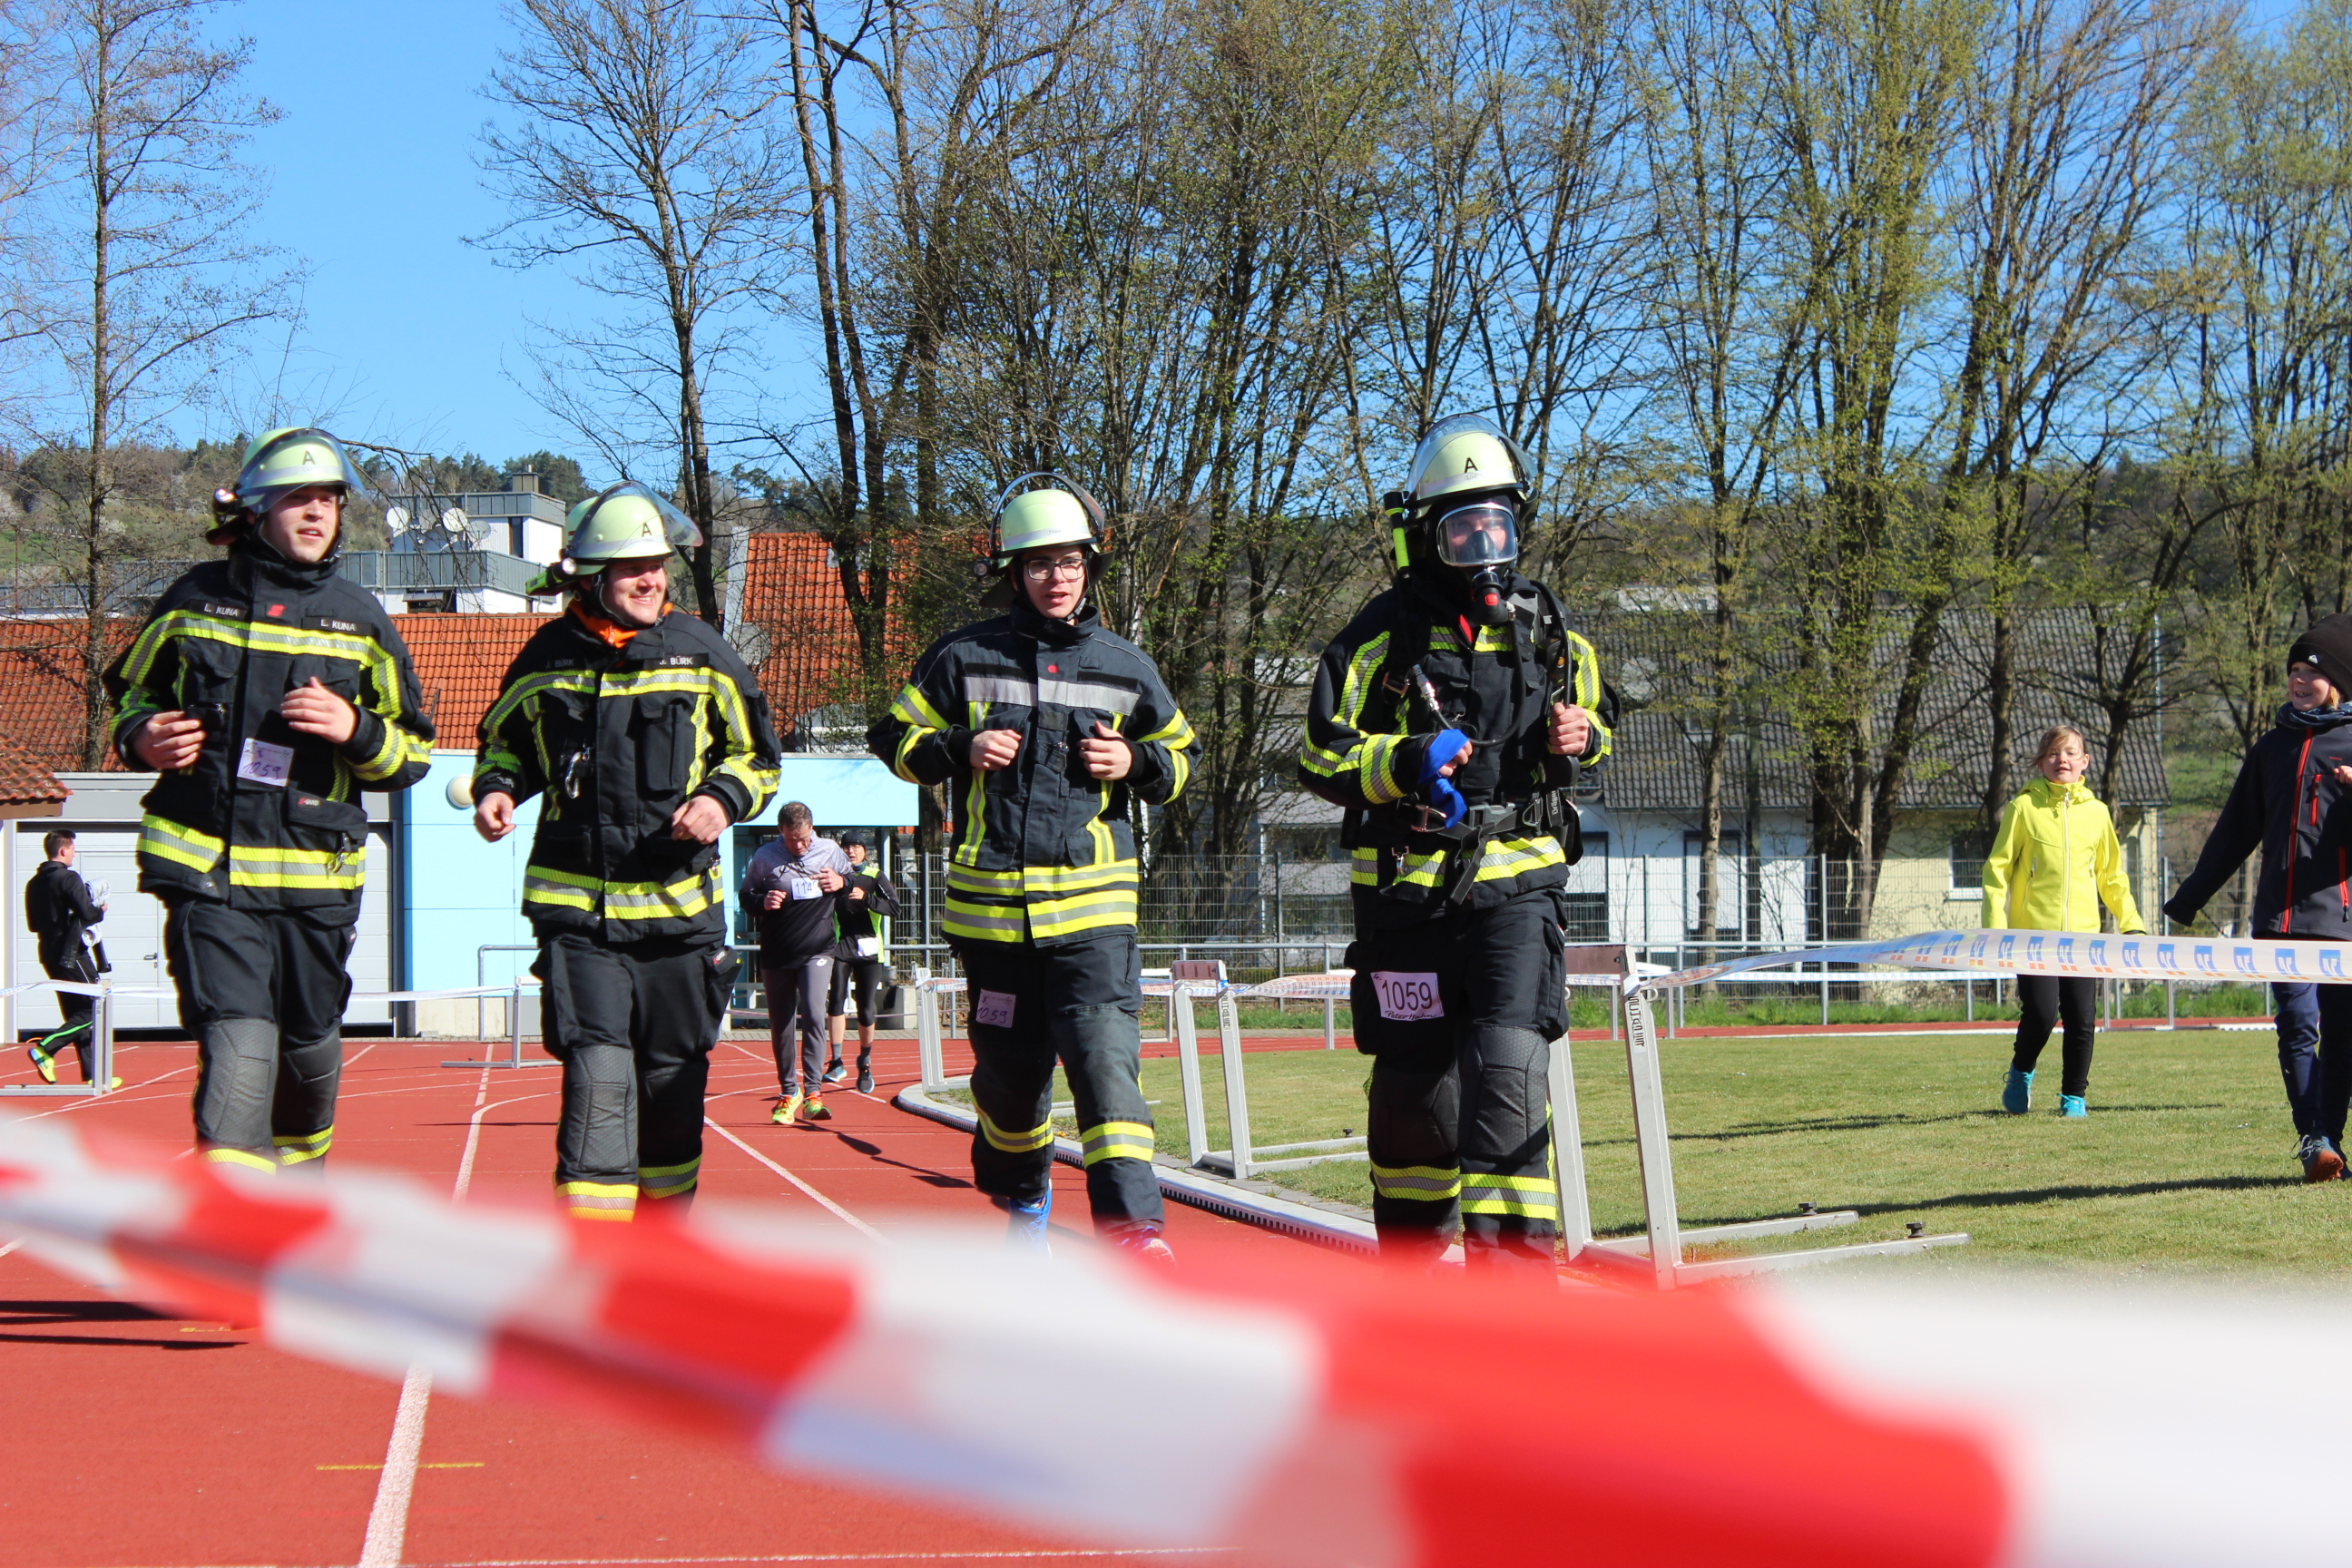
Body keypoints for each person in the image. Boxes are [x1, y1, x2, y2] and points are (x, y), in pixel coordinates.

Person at [1297, 415, 1614, 1276]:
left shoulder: (1548, 629)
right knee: (1415, 1104)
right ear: (1426, 536)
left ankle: (1514, 1304)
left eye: (1496, 526)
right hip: (1407, 902)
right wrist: (1403, 761)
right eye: (1462, 529)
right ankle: (1412, 1291)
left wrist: (1584, 736)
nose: (1482, 546)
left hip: (1519, 896)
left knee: (1508, 1082)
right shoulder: (1381, 636)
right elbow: (1318, 754)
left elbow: (1597, 717)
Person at [867, 473, 1194, 1259]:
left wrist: (1138, 762)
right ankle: (1024, 1193)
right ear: (1014, 572)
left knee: (1106, 1068)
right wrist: (958, 747)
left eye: (1071, 562)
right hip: (992, 924)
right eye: (1041, 563)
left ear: (1090, 568)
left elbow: (1182, 760)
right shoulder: (962, 656)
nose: (1057, 577)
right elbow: (893, 738)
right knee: (1010, 1090)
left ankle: (1134, 1233)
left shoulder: (1126, 665)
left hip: (1095, 920)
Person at [105, 429, 433, 1171]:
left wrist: (355, 729)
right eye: (297, 498)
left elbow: (412, 755)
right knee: (239, 1050)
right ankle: (235, 1226)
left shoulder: (362, 619)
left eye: (329, 500)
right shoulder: (192, 599)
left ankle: (299, 1189)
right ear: (255, 510)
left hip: (316, 889)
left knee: (307, 1059)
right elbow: (130, 694)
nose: (317, 513)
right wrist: (141, 738)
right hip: (208, 879)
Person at [472, 482, 779, 1221]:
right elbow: (505, 745)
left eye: (658, 565)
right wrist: (498, 788)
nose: (652, 580)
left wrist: (722, 800)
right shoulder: (544, 658)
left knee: (672, 1084)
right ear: (590, 579)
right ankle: (596, 1258)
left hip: (679, 920)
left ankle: (663, 1245)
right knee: (598, 1079)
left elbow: (758, 758)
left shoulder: (704, 652)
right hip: (580, 922)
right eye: (633, 567)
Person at [2165, 614, 2352, 1181]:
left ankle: (2330, 1138)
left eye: (2311, 672)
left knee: (2343, 1037)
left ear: (2338, 681)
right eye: (2292, 670)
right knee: (2296, 1025)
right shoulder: (2271, 748)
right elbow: (2234, 831)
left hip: (2343, 923)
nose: (2298, 680)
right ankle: (2315, 1139)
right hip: (2279, 921)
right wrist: (2189, 898)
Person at [1980, 726, 2148, 1119]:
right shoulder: (2024, 808)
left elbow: (2111, 876)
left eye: (2071, 753)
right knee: (2041, 1013)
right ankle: (2020, 1072)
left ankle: (2074, 1096)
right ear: (2041, 762)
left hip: (2083, 939)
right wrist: (1995, 927)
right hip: (2032, 936)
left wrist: (2131, 923)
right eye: (2053, 754)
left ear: (2085, 761)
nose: (2062, 760)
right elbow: (1997, 870)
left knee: (2082, 1019)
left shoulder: (2098, 813)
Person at [741, 803, 850, 1125]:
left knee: (815, 1014)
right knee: (782, 1024)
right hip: (777, 951)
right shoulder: (765, 856)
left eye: (803, 838)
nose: (799, 846)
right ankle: (789, 1091)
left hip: (818, 949)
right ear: (781, 832)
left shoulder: (829, 850)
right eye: (792, 839)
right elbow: (746, 896)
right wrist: (762, 901)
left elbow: (853, 881)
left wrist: (841, 882)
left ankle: (814, 1093)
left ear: (812, 829)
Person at [23, 830, 115, 1087]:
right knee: (95, 1007)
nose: (74, 853)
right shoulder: (68, 877)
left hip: (47, 952)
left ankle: (91, 1075)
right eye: (73, 849)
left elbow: (33, 924)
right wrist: (100, 909)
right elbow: (87, 912)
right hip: (71, 952)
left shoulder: (34, 882)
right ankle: (45, 1048)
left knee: (77, 1014)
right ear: (63, 851)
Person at [823, 830, 901, 1094]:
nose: (851, 851)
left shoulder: (874, 876)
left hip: (869, 950)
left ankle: (865, 1062)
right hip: (841, 945)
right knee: (835, 1000)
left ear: (865, 851)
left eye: (856, 847)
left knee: (866, 1008)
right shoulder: (834, 876)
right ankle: (836, 1061)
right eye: (847, 847)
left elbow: (895, 908)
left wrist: (867, 899)